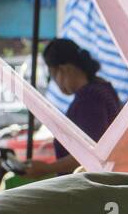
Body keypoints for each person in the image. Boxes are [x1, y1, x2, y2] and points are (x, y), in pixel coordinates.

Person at [27, 38, 122, 177]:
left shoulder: (90, 99)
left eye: (53, 76)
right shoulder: (102, 88)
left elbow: (91, 155)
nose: (56, 84)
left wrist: (47, 168)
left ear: (64, 69)